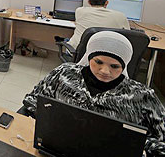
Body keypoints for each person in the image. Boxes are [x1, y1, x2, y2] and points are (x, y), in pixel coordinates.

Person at [21, 31, 165, 156]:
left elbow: (161, 140)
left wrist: (135, 144)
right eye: (98, 62)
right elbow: (33, 101)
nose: (104, 71)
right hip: (57, 148)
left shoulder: (142, 95)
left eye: (114, 66)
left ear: (124, 66)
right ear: (89, 57)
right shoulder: (63, 74)